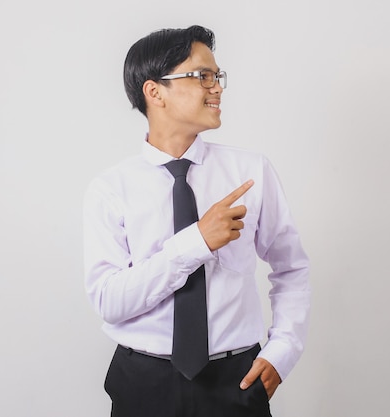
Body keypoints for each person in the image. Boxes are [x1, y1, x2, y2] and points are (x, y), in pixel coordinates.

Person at [83, 25, 310, 417]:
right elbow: (109, 301)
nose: (217, 87)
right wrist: (197, 242)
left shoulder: (250, 171)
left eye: (217, 76)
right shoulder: (111, 188)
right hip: (143, 382)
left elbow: (291, 268)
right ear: (154, 92)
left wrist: (283, 350)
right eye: (201, 76)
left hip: (236, 380)